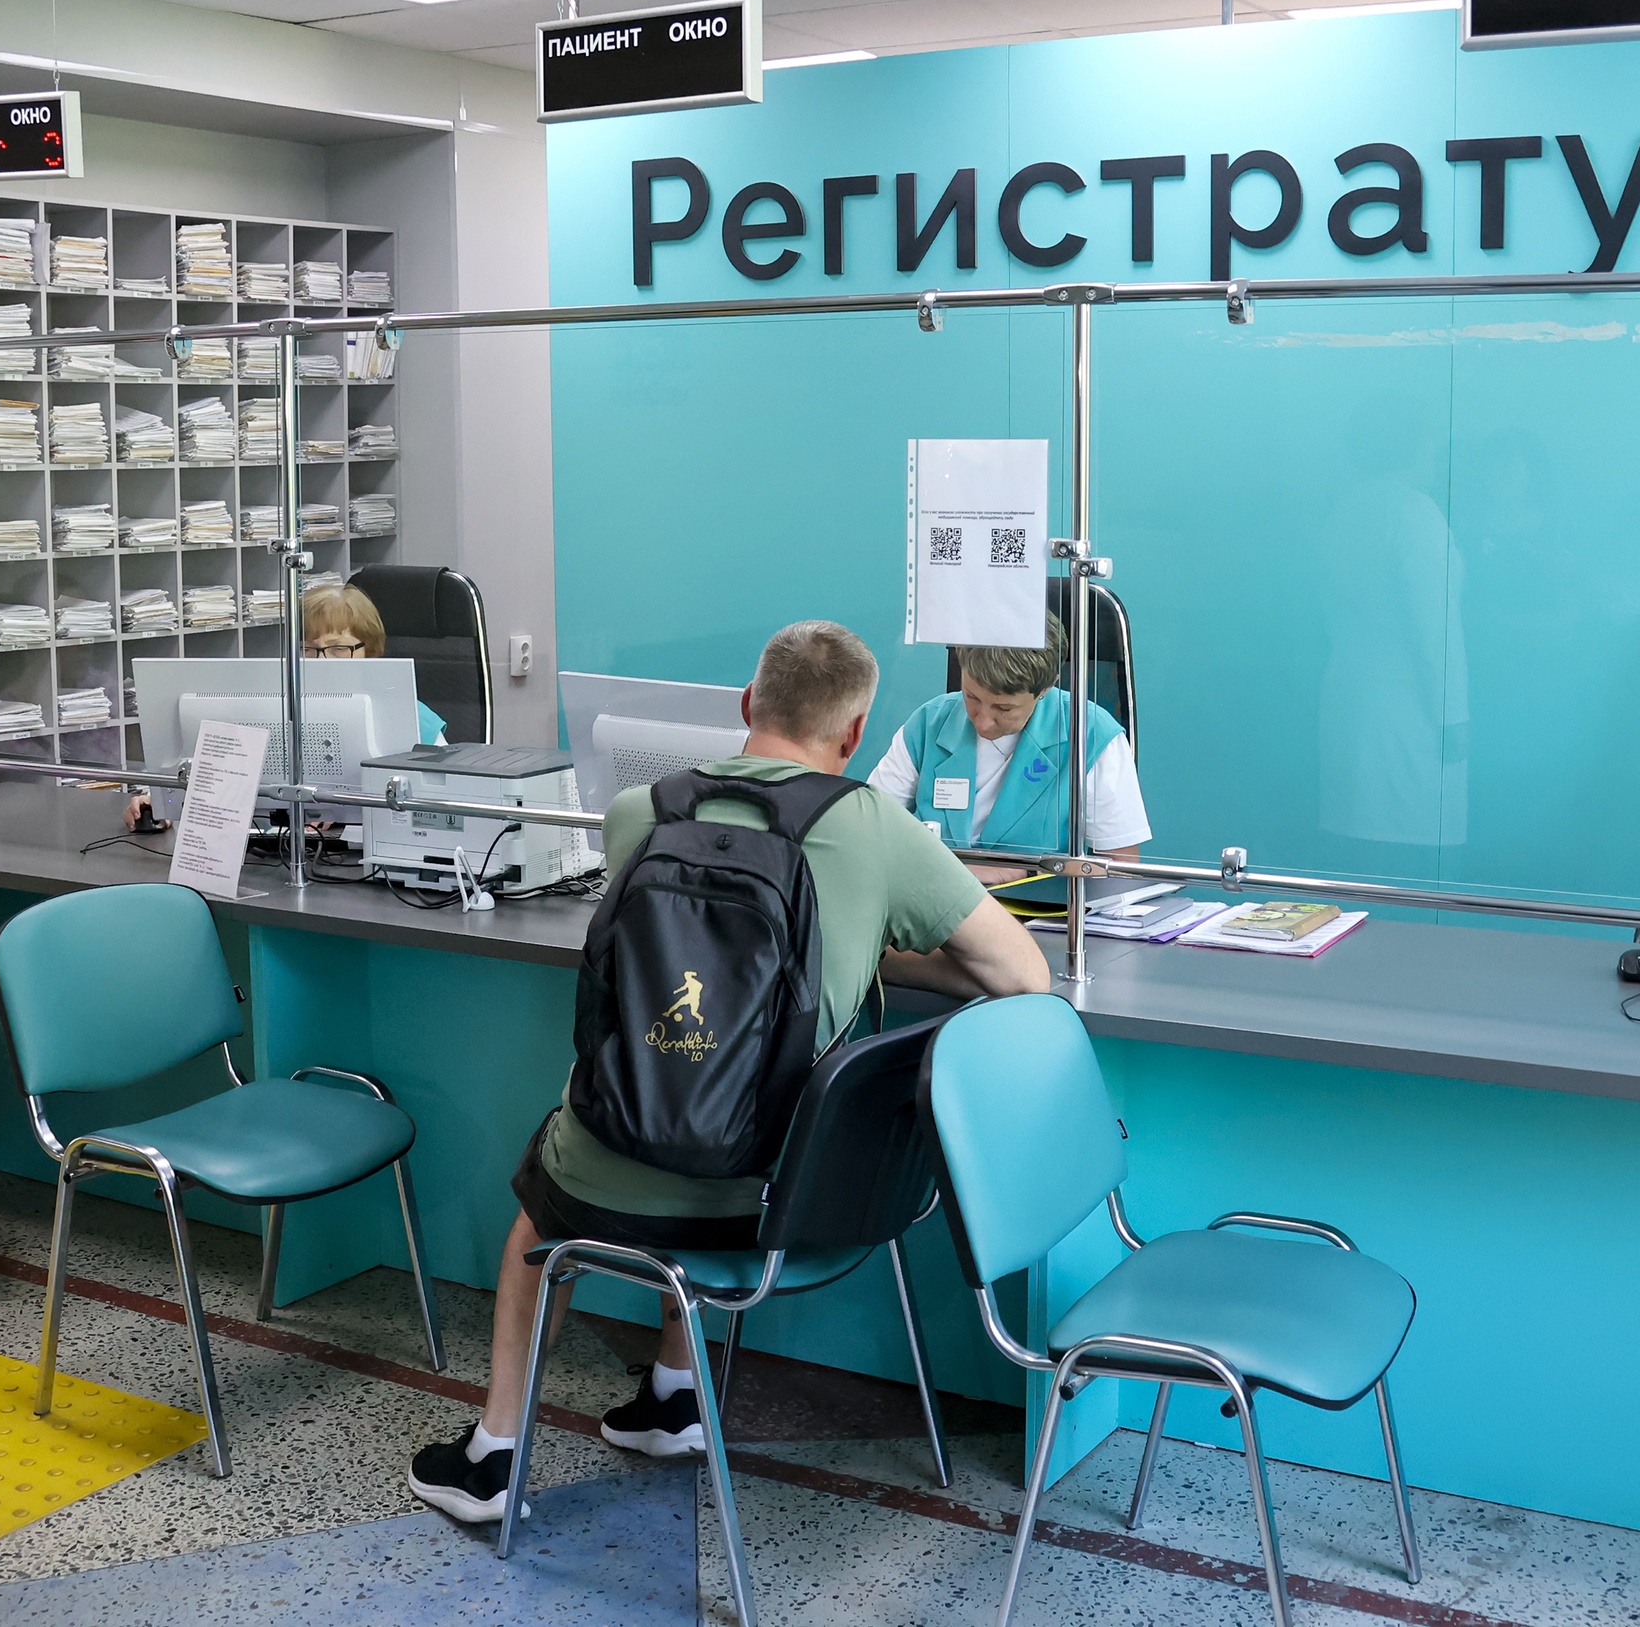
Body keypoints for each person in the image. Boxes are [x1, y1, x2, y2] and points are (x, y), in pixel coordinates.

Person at [406, 620, 1051, 1523]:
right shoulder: (876, 828)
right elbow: (1022, 974)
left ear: (748, 705)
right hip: (778, 1194)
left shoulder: (641, 812)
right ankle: (673, 1397)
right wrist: (868, 944)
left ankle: (494, 1455)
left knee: (536, 1219)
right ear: (854, 733)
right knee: (724, 1099)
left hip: (612, 1180)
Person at [126, 582, 443, 829]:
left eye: (338, 648)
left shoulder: (416, 719)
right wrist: (165, 802)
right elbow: (227, 777)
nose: (320, 662)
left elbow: (443, 801)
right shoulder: (267, 707)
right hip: (274, 849)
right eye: (307, 649)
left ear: (369, 650)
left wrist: (341, 813)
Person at [868, 613, 1150, 885]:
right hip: (928, 902)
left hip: (1036, 910)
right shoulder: (928, 723)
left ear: (1045, 689)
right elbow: (867, 831)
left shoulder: (1089, 735)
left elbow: (1119, 873)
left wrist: (1024, 874)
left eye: (1004, 708)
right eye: (972, 697)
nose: (983, 721)